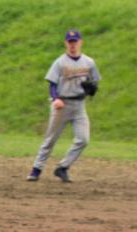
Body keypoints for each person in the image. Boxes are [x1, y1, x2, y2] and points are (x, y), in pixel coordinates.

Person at [27, 29, 101, 183]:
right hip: (62, 105)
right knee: (51, 139)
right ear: (65, 43)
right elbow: (52, 84)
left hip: (79, 106)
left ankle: (63, 167)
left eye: (75, 41)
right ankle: (36, 169)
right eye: (70, 42)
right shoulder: (60, 62)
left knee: (83, 139)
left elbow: (94, 82)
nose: (72, 44)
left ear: (81, 42)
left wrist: (92, 89)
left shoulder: (89, 62)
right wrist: (55, 98)